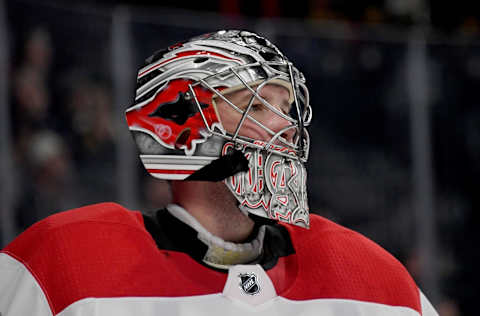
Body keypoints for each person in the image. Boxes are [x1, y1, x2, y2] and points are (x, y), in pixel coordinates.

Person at [0, 30, 438, 316]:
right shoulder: (61, 265)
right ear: (179, 130)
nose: (285, 126)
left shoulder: (372, 278)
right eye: (255, 104)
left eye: (286, 109)